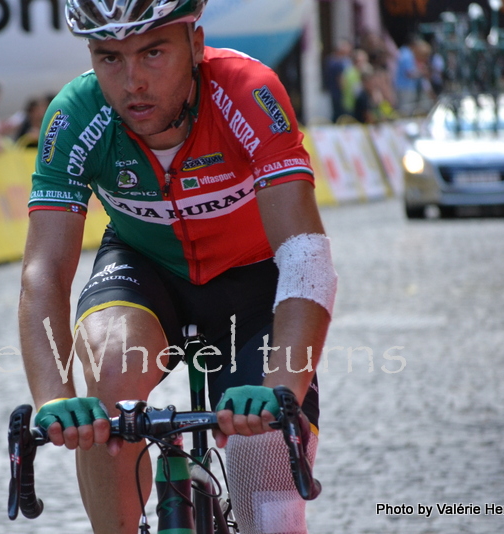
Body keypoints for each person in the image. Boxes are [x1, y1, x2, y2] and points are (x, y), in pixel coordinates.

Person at [18, 1, 337, 533]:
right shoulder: (76, 116)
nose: (132, 80)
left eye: (153, 52)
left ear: (194, 44)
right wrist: (53, 398)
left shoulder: (246, 91)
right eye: (109, 58)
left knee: (266, 477)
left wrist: (281, 386)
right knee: (107, 392)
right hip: (144, 268)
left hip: (252, 281)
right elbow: (44, 271)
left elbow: (304, 251)